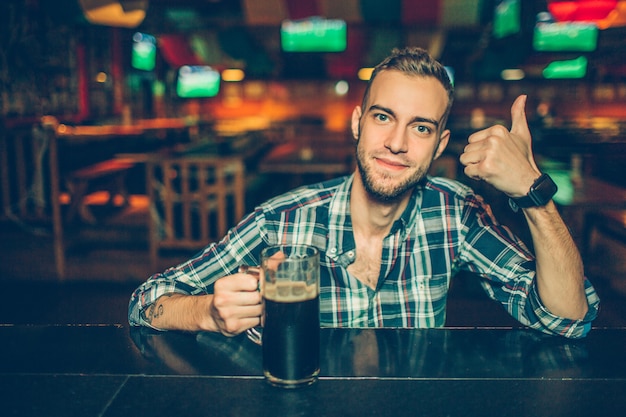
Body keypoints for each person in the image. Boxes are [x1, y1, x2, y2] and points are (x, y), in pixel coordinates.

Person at [129, 47, 599, 339]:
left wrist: (533, 194)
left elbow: (568, 318)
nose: (396, 142)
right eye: (382, 117)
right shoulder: (282, 220)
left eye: (420, 127)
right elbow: (146, 302)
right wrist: (207, 312)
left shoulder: (454, 213)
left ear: (440, 145)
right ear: (357, 122)